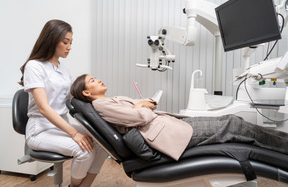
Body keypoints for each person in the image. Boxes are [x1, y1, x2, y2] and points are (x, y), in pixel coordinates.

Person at [70, 74, 288, 161]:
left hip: (170, 125)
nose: (98, 80)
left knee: (232, 121)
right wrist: (142, 105)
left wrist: (143, 104)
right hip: (165, 135)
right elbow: (140, 117)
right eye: (92, 80)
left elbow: (141, 109)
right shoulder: (100, 104)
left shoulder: (110, 99)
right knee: (234, 126)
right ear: (87, 93)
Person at [19, 20, 107, 187]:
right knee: (85, 152)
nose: (69, 47)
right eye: (65, 42)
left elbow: (73, 99)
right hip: (40, 130)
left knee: (103, 144)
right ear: (52, 40)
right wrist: (74, 133)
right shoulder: (35, 66)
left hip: (60, 126)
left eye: (71, 43)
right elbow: (44, 109)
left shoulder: (64, 69)